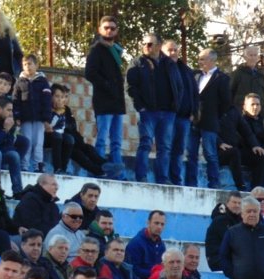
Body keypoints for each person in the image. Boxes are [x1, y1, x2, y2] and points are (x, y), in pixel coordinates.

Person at [126, 33, 181, 184]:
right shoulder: (138, 62)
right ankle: (141, 176)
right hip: (148, 112)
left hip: (168, 112)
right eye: (144, 44)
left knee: (165, 147)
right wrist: (140, 107)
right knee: (145, 144)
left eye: (150, 44)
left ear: (158, 46)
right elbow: (131, 87)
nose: (146, 47)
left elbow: (178, 86)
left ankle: (162, 178)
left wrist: (175, 106)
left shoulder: (169, 63)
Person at [185, 49, 231, 190]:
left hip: (210, 121)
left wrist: (215, 115)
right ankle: (191, 182)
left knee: (210, 153)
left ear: (211, 60)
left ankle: (214, 182)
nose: (199, 62)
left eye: (202, 59)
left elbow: (226, 102)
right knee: (191, 153)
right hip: (194, 120)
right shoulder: (196, 75)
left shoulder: (222, 78)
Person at [85, 16, 125, 164]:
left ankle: (118, 172)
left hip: (117, 102)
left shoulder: (116, 49)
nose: (109, 31)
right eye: (106, 28)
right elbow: (90, 73)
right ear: (100, 30)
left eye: (112, 28)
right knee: (102, 139)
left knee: (117, 141)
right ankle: (99, 169)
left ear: (116, 31)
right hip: (104, 101)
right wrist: (106, 85)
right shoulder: (96, 50)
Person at [50, 84, 109, 177]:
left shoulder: (67, 110)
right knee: (75, 150)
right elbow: (55, 127)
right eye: (59, 96)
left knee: (87, 148)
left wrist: (80, 142)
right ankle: (98, 171)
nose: (62, 99)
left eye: (65, 97)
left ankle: (105, 165)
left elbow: (73, 128)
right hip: (58, 139)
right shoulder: (50, 108)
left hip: (71, 139)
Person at [162, 39, 199, 185]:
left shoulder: (186, 70)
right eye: (170, 50)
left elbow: (195, 93)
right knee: (166, 149)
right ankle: (164, 178)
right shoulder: (161, 69)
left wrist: (193, 112)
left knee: (179, 151)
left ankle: (176, 179)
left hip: (184, 118)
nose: (173, 53)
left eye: (175, 50)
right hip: (168, 116)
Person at [13, 55, 51, 172]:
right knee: (27, 142)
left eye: (30, 64)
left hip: (39, 118)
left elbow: (47, 100)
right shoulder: (19, 82)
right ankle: (24, 165)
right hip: (25, 118)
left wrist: (46, 118)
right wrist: (17, 115)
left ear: (36, 65)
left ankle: (38, 165)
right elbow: (16, 100)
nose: (27, 67)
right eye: (25, 64)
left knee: (38, 143)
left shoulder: (43, 81)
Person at [205, 192, 242, 271]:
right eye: (234, 202)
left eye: (239, 203)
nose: (237, 205)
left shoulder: (240, 221)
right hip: (217, 259)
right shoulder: (220, 220)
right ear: (227, 203)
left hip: (230, 259)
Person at [125, 210, 166, 279]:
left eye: (162, 224)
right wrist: (155, 273)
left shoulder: (161, 245)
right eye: (156, 223)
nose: (159, 227)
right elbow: (133, 270)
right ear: (148, 223)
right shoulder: (135, 244)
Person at [230, 45, 264, 116]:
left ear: (258, 57)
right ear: (245, 57)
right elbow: (230, 92)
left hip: (260, 113)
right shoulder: (237, 73)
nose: (253, 58)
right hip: (242, 113)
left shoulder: (261, 74)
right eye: (250, 55)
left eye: (255, 55)